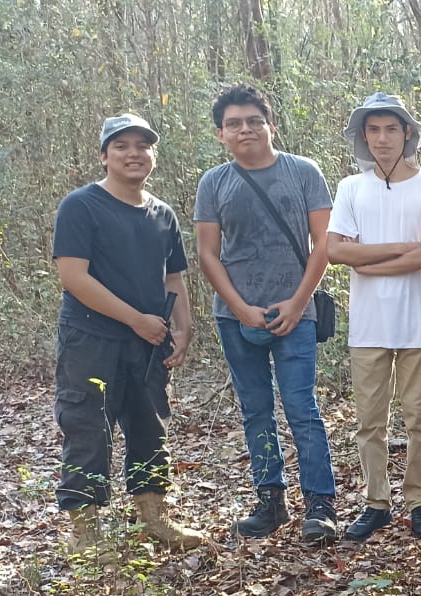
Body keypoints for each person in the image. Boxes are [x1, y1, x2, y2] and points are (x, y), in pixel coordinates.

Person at [194, 83, 341, 545]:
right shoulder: (213, 183)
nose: (245, 130)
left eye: (254, 121)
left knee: (302, 407)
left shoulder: (303, 172)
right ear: (221, 134)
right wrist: (241, 309)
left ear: (270, 125)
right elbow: (207, 253)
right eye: (234, 124)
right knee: (255, 409)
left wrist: (298, 304)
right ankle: (270, 499)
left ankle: (320, 504)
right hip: (235, 317)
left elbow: (325, 245)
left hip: (296, 311)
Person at [52, 113, 204, 561]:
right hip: (90, 338)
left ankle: (154, 516)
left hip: (149, 342)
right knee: (88, 427)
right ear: (104, 156)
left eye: (143, 145)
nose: (134, 153)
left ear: (153, 154)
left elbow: (173, 276)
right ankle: (85, 532)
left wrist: (183, 325)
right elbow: (74, 278)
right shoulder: (80, 206)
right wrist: (134, 318)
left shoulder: (162, 214)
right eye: (122, 146)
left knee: (150, 426)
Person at [324, 93, 421, 543]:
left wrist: (368, 260)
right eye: (372, 130)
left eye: (390, 129)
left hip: (420, 322)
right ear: (363, 137)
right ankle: (376, 502)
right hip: (368, 324)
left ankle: (419, 502)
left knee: (419, 418)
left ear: (407, 134)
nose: (381, 139)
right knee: (370, 421)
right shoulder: (350, 188)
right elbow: (336, 250)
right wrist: (400, 247)